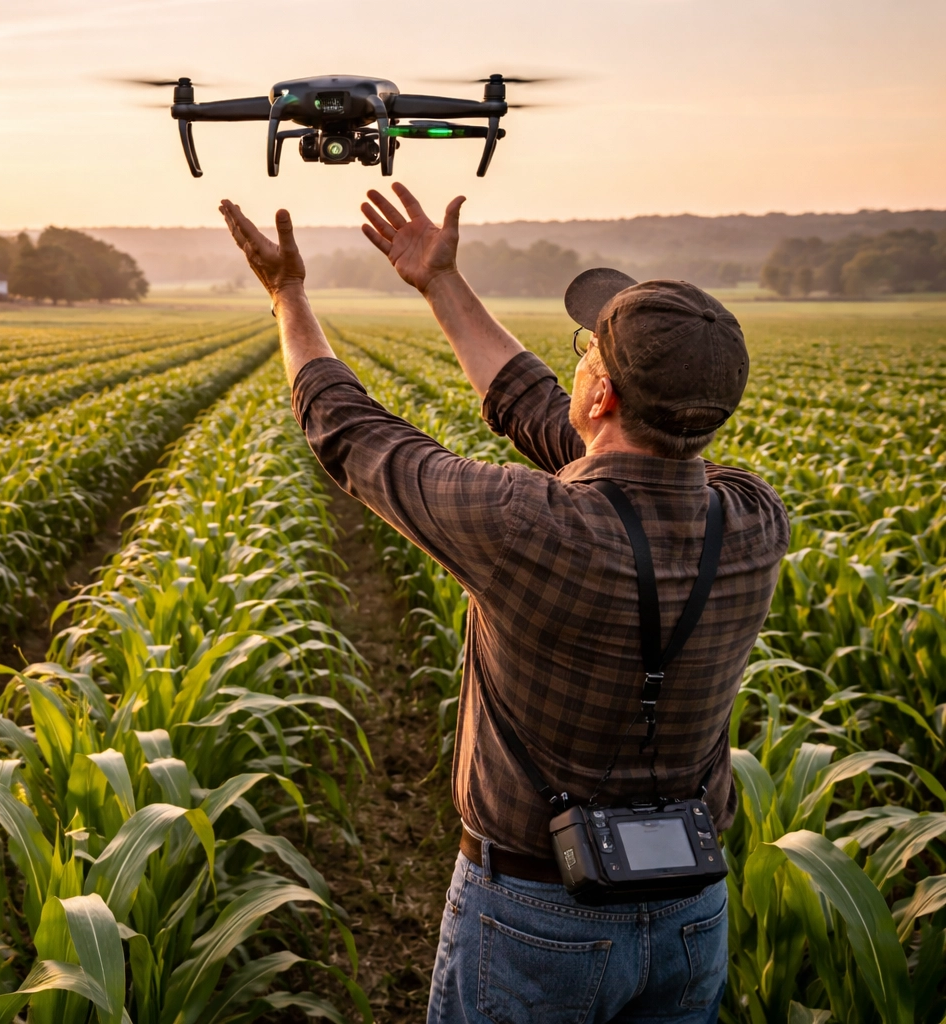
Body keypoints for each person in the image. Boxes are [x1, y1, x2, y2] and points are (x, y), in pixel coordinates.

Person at [218, 184, 788, 1024]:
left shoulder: (530, 526)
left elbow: (349, 432)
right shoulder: (752, 519)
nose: (575, 364)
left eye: (585, 353)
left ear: (602, 398)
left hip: (535, 919)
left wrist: (288, 296)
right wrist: (439, 282)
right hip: (691, 918)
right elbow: (563, 427)